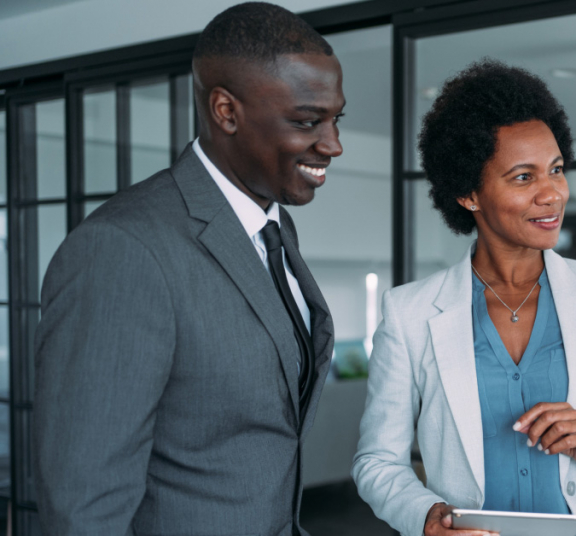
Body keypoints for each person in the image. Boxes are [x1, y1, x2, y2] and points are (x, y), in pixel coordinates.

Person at [33, 3, 344, 535]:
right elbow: (83, 509)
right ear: (226, 111)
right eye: (307, 121)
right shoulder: (122, 249)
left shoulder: (273, 226)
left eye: (337, 118)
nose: (333, 144)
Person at [352, 60, 576, 536]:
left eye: (556, 170)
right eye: (523, 177)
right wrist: (425, 517)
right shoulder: (411, 313)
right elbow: (378, 461)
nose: (553, 194)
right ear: (469, 194)